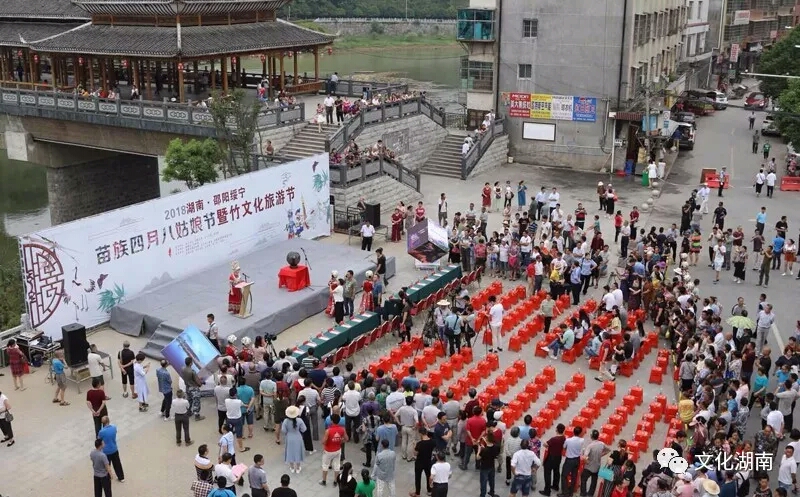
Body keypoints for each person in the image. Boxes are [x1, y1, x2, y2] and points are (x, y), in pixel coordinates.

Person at [320, 413, 348, 486]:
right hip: (337, 450)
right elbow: (346, 439)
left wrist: (324, 443)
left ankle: (324, 481)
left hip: (328, 451)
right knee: (337, 466)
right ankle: (335, 481)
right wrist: (340, 441)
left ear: (332, 421)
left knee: (325, 465)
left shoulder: (328, 431)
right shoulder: (342, 429)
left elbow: (324, 441)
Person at [98, 416, 125, 482]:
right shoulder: (114, 428)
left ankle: (108, 478)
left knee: (107, 465)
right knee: (117, 464)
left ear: (102, 423)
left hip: (106, 451)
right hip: (114, 448)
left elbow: (99, 439)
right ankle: (121, 477)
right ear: (109, 421)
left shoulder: (101, 432)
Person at [281, 405, 307, 474]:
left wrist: (287, 432)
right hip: (298, 437)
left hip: (289, 437)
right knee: (298, 452)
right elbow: (304, 429)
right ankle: (298, 468)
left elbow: (283, 430)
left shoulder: (286, 421)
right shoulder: (299, 420)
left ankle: (292, 467)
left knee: (290, 452)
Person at [181, 356, 205, 421]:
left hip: (187, 387)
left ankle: (188, 412)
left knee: (189, 401)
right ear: (190, 363)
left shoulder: (183, 369)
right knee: (196, 402)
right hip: (194, 389)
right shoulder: (192, 371)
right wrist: (201, 383)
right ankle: (197, 416)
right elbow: (197, 381)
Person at [477, 431, 501, 497]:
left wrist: (479, 449)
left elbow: (478, 458)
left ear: (487, 439)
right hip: (492, 466)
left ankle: (482, 495)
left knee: (483, 482)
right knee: (492, 480)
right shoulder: (496, 446)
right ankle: (492, 492)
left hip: (484, 467)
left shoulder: (484, 450)